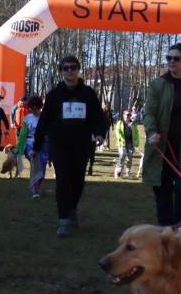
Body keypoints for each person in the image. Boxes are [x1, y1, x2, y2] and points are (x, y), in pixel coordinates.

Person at [31, 55, 106, 237]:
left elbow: (98, 116)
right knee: (63, 180)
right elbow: (44, 121)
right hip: (59, 145)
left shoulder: (88, 94)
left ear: (78, 70)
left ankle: (72, 208)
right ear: (62, 71)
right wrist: (37, 145)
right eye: (66, 68)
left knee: (78, 181)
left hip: (82, 144)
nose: (70, 71)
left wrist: (99, 133)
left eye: (73, 67)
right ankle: (63, 221)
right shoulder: (54, 95)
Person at [142, 42, 181, 226]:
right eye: (168, 58)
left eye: (176, 58)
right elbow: (150, 113)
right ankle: (165, 232)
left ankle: (180, 229)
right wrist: (152, 132)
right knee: (162, 197)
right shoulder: (158, 84)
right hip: (161, 149)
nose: (171, 61)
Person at [16, 95, 46, 198]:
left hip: (42, 145)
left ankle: (36, 184)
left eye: (35, 108)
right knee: (35, 163)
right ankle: (36, 190)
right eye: (31, 108)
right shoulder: (27, 119)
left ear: (39, 107)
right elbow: (22, 135)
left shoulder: (44, 118)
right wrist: (18, 147)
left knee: (42, 169)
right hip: (29, 144)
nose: (33, 111)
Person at [114, 110, 139, 179]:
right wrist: (119, 137)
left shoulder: (133, 124)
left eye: (129, 115)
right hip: (122, 142)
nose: (128, 116)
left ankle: (128, 171)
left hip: (130, 143)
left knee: (129, 158)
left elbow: (136, 133)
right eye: (127, 115)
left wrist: (137, 142)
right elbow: (117, 131)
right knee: (122, 154)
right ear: (123, 115)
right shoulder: (120, 122)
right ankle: (120, 169)